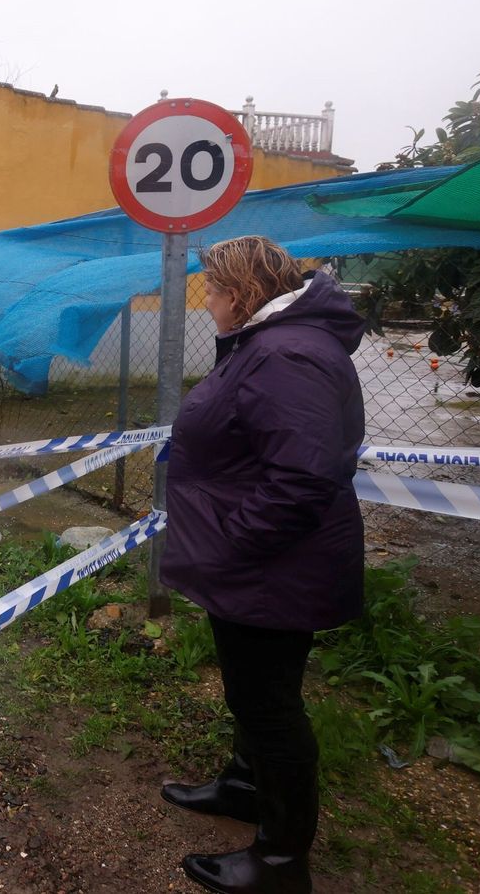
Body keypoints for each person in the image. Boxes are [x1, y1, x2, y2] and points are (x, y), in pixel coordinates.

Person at [159, 236, 366, 894]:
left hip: (271, 569)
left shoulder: (285, 354)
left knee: (270, 708)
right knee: (253, 694)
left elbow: (302, 482)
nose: (209, 301)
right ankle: (246, 787)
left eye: (213, 290)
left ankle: (280, 860)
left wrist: (229, 545)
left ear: (241, 295)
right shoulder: (274, 345)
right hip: (261, 568)